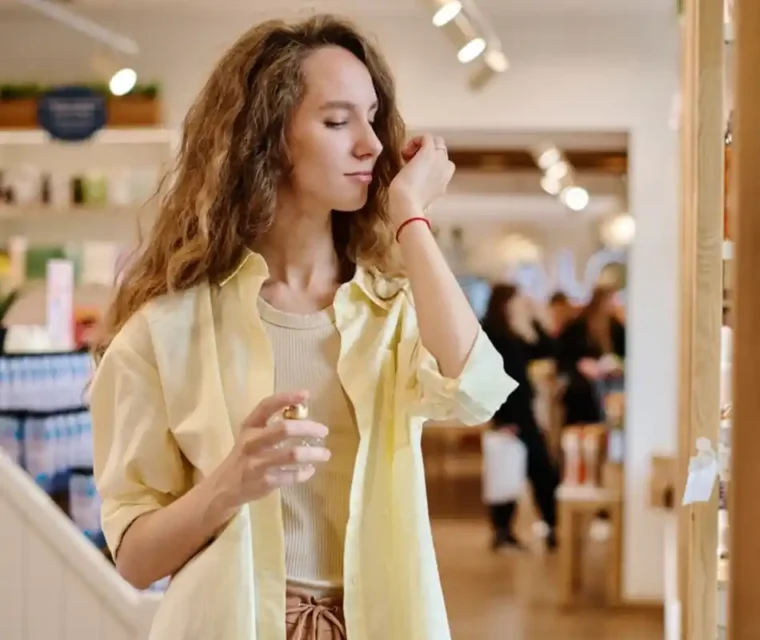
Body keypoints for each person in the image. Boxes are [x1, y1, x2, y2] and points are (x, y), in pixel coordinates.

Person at [89, 16, 516, 640]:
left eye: (373, 118)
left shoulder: (391, 310)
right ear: (267, 139)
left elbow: (476, 391)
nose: (371, 143)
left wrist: (411, 217)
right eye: (339, 121)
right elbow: (134, 558)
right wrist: (228, 485)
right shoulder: (165, 330)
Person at [480, 284, 560, 551]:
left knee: (532, 469)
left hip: (523, 411)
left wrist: (535, 319)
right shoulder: (491, 332)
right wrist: (502, 419)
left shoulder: (514, 332)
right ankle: (508, 529)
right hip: (510, 414)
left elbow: (547, 349)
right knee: (518, 469)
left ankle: (545, 525)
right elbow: (488, 377)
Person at [556, 286, 627, 426]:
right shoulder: (576, 327)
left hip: (610, 383)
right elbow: (564, 358)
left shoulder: (616, 326)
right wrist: (581, 365)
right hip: (582, 386)